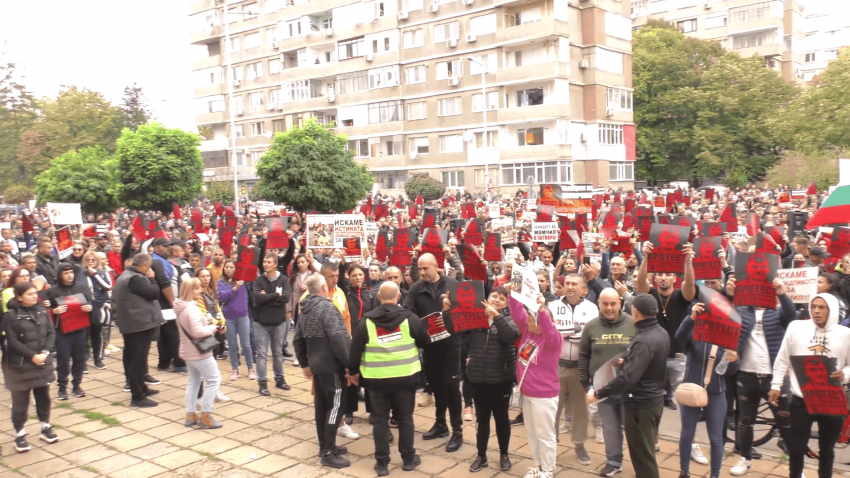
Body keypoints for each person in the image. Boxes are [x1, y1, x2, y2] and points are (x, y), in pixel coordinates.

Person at [348, 282, 428, 476]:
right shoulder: (410, 319)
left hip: (376, 381)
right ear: (399, 296)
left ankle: (382, 464)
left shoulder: (366, 322)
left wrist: (353, 372)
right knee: (406, 419)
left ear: (378, 298)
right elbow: (426, 341)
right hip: (405, 379)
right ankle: (409, 459)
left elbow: (354, 352)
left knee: (380, 421)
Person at [587, 294, 670, 478]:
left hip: (641, 405)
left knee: (642, 456)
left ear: (636, 312)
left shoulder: (644, 340)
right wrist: (627, 360)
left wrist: (598, 393)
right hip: (655, 400)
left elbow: (627, 379)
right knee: (646, 451)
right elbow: (649, 361)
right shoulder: (660, 332)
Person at [769, 293, 850, 478]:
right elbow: (782, 359)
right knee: (796, 449)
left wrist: (844, 374)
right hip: (801, 400)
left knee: (827, 451)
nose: (816, 311)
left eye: (822, 307)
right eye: (814, 306)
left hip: (831, 401)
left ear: (832, 310)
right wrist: (775, 385)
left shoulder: (845, 335)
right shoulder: (796, 328)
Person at [729, 278, 795, 475]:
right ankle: (745, 459)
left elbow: (792, 317)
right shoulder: (742, 310)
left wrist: (782, 294)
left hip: (774, 378)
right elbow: (727, 320)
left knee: (786, 422)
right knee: (745, 421)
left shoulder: (778, 311)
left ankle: (795, 465)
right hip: (746, 374)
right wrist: (732, 296)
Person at [403, 252, 465, 453]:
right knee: (437, 385)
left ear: (436, 266)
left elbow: (464, 308)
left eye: (425, 268)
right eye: (419, 268)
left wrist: (449, 311)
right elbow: (407, 311)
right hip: (430, 343)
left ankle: (457, 430)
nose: (422, 272)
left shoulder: (451, 284)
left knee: (452, 385)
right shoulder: (416, 289)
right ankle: (440, 424)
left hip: (451, 343)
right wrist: (420, 325)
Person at [453, 286, 518, 473]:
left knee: (502, 419)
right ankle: (481, 455)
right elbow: (457, 331)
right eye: (494, 296)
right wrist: (449, 310)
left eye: (501, 299)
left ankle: (504, 454)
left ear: (506, 304)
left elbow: (511, 336)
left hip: (501, 379)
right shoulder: (476, 319)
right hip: (479, 378)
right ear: (487, 298)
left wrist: (497, 317)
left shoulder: (508, 319)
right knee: (482, 420)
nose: (497, 300)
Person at [293, 274, 353, 469]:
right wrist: (349, 364)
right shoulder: (327, 307)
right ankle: (327, 452)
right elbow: (338, 338)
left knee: (321, 407)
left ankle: (325, 446)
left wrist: (304, 363)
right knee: (336, 406)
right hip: (331, 364)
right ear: (324, 288)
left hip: (316, 364)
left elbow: (298, 339)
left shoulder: (305, 309)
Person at [674, 301, 739, 478]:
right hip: (692, 389)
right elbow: (679, 338)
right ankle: (684, 471)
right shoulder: (696, 332)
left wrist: (734, 360)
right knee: (687, 434)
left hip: (716, 392)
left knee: (716, 439)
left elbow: (731, 372)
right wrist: (690, 318)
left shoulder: (728, 338)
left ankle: (715, 475)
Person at [578, 288, 636, 477]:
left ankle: (642, 464)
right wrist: (584, 380)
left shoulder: (633, 323)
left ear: (620, 303)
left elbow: (642, 352)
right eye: (605, 304)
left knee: (635, 431)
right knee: (610, 428)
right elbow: (584, 354)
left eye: (613, 303)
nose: (609, 308)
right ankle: (613, 462)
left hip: (629, 388)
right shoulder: (591, 326)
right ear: (599, 304)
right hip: (602, 388)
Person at [508, 285, 562, 478]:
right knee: (532, 433)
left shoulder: (553, 340)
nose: (527, 319)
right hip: (527, 393)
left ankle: (548, 470)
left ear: (541, 322)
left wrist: (541, 310)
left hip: (544, 396)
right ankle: (538, 466)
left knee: (545, 435)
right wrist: (512, 293)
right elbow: (517, 313)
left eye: (532, 318)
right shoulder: (528, 331)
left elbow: (548, 329)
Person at [2, 281, 58, 453]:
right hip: (20, 366)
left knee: (43, 396)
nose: (35, 296)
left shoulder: (42, 310)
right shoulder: (10, 315)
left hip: (42, 361)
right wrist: (32, 356)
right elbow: (12, 341)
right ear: (19, 297)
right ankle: (20, 434)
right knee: (20, 401)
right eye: (30, 294)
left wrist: (45, 353)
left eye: (35, 293)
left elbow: (51, 332)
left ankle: (45, 426)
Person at [554, 273, 598, 465]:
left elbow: (590, 334)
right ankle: (550, 442)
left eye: (574, 284)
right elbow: (551, 331)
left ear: (584, 290)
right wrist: (577, 329)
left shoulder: (591, 308)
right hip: (556, 365)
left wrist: (567, 332)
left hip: (580, 367)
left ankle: (579, 444)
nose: (570, 287)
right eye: (567, 284)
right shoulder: (553, 306)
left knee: (581, 410)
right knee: (552, 408)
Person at [112, 254, 164, 408]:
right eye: (149, 267)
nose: (149, 270)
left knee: (134, 358)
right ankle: (138, 396)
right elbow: (154, 293)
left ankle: (141, 387)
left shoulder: (125, 275)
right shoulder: (136, 279)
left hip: (132, 323)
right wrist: (153, 279)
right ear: (144, 265)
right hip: (138, 325)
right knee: (137, 360)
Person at [174, 277, 225, 429]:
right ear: (189, 290)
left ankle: (190, 415)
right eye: (197, 288)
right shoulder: (192, 309)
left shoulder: (181, 308)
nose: (200, 290)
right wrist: (213, 328)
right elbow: (197, 332)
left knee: (194, 382)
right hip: (199, 352)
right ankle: (206, 415)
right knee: (214, 379)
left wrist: (207, 323)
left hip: (188, 351)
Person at [46, 263, 93, 400]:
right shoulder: (53, 291)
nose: (69, 275)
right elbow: (46, 310)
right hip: (63, 331)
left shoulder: (81, 287)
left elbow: (90, 302)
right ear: (60, 275)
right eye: (66, 273)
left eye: (71, 272)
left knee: (79, 358)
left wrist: (89, 307)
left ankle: (77, 384)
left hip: (80, 328)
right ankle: (62, 387)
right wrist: (54, 311)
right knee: (63, 359)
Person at [252, 253, 291, 395]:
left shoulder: (284, 280)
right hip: (261, 322)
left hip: (278, 322)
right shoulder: (259, 280)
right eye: (264, 262)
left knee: (278, 352)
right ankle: (262, 382)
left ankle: (279, 379)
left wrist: (266, 297)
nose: (266, 264)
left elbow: (286, 298)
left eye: (269, 262)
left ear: (275, 264)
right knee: (261, 354)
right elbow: (257, 298)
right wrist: (275, 295)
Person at [151, 238, 185, 373]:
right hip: (165, 302)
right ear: (157, 247)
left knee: (164, 334)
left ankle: (163, 363)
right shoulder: (158, 261)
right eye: (165, 246)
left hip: (161, 302)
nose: (168, 249)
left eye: (169, 246)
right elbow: (164, 283)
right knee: (173, 333)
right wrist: (172, 302)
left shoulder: (160, 260)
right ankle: (178, 362)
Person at [217, 261, 255, 381]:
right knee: (232, 345)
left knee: (246, 344)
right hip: (229, 316)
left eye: (231, 267)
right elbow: (221, 297)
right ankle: (235, 369)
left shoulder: (242, 280)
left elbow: (251, 271)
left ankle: (250, 368)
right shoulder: (221, 282)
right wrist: (234, 289)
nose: (229, 269)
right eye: (227, 267)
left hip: (242, 315)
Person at [82, 251, 112, 370]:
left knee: (97, 333)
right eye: (88, 260)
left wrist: (95, 274)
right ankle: (83, 360)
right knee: (83, 335)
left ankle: (97, 359)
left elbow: (107, 286)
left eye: (93, 260)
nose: (90, 262)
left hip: (98, 306)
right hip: (84, 307)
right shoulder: (80, 273)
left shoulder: (102, 272)